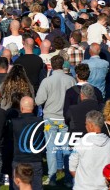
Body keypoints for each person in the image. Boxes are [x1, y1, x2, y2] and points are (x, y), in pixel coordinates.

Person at [33, 54, 74, 186]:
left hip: (50, 118)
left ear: (51, 65)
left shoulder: (47, 81)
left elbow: (39, 100)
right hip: (64, 118)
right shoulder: (70, 80)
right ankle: (68, 178)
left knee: (51, 148)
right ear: (62, 65)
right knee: (66, 147)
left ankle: (52, 178)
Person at [69, 110, 110, 190]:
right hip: (103, 187)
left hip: (82, 187)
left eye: (86, 124)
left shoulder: (80, 142)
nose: (85, 126)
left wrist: (80, 180)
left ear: (91, 125)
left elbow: (72, 166)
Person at [10, 96, 44, 190]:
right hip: (35, 159)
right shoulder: (40, 122)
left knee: (17, 186)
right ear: (33, 107)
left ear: (21, 108)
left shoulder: (14, 122)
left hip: (19, 159)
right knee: (37, 186)